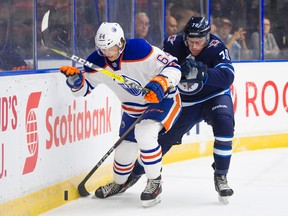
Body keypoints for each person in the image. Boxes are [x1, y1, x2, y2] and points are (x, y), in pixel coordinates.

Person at [106, 16, 235, 205]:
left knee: (224, 123)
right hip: (184, 103)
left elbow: (228, 75)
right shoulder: (173, 44)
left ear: (207, 38)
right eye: (190, 41)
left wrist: (204, 74)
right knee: (162, 141)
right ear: (185, 38)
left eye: (199, 42)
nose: (194, 46)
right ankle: (131, 177)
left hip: (214, 97)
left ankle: (221, 176)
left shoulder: (217, 46)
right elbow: (160, 70)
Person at [59, 22, 182, 207]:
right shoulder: (96, 61)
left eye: (112, 48)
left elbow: (173, 66)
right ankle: (119, 184)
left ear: (122, 42)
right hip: (133, 109)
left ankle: (155, 183)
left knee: (145, 135)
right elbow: (83, 90)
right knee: (124, 152)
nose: (108, 53)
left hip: (162, 101)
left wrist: (161, 82)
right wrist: (75, 81)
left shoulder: (140, 50)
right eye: (103, 49)